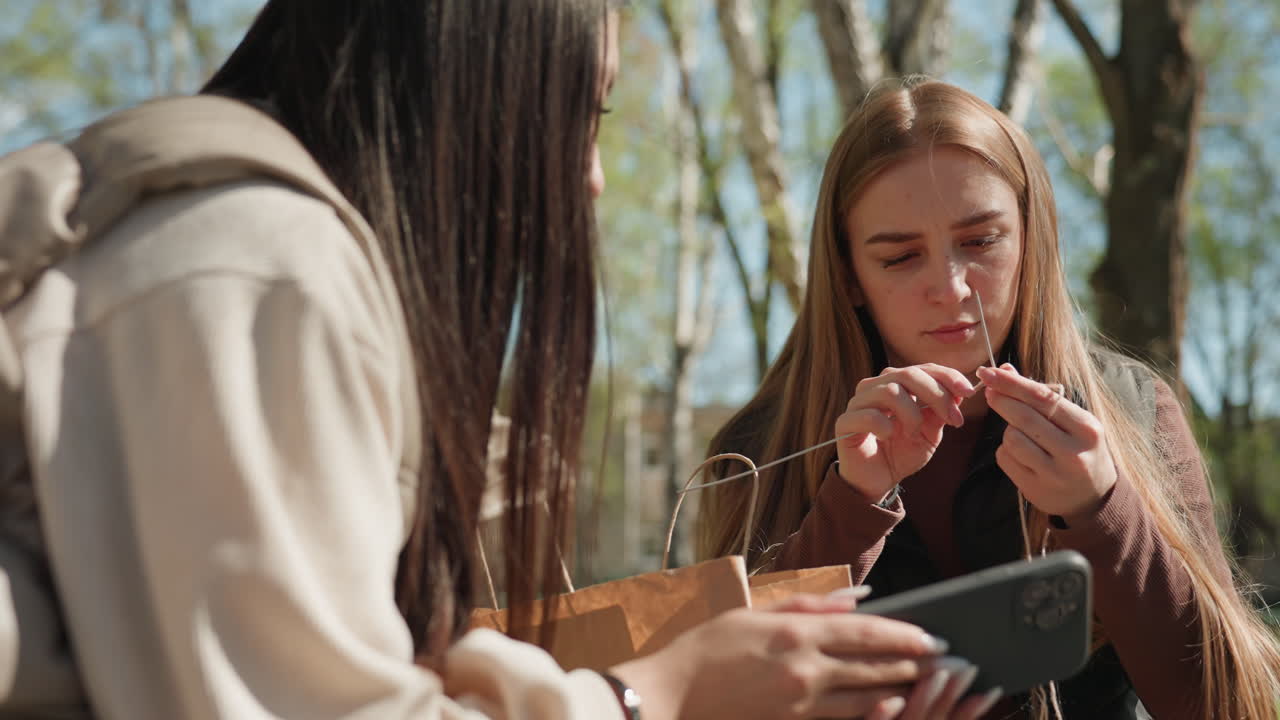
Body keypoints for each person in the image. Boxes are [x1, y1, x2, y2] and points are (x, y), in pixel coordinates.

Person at [0, 3, 1009, 719]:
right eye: (585, 111)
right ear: (476, 77)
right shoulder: (260, 268)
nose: (594, 177)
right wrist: (656, 694)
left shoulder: (223, 243)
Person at [697, 78, 1280, 719]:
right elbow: (724, 701)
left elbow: (1227, 702)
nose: (949, 288)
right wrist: (852, 506)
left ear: (1032, 240)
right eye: (899, 256)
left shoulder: (1133, 408)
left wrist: (1103, 513)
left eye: (980, 242)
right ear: (849, 276)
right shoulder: (757, 451)